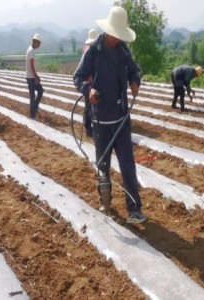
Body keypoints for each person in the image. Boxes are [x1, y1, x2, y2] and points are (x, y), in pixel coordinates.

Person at [73, 6, 147, 224]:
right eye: (115, 34)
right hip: (100, 121)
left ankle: (134, 209)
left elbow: (134, 70)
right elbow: (78, 77)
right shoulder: (93, 52)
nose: (117, 39)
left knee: (127, 165)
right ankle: (105, 201)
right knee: (103, 165)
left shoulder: (123, 51)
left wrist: (135, 81)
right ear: (107, 31)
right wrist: (89, 91)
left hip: (121, 118)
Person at [82, 29, 98, 137]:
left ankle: (88, 125)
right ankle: (89, 128)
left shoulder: (85, 48)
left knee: (88, 105)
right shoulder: (90, 50)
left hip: (87, 81)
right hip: (89, 82)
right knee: (89, 106)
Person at [26, 33, 44, 120]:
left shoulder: (30, 49)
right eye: (38, 43)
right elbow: (31, 65)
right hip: (30, 77)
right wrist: (36, 77)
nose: (39, 45)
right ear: (34, 42)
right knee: (33, 96)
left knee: (40, 91)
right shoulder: (31, 51)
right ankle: (32, 115)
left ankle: (35, 107)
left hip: (31, 76)